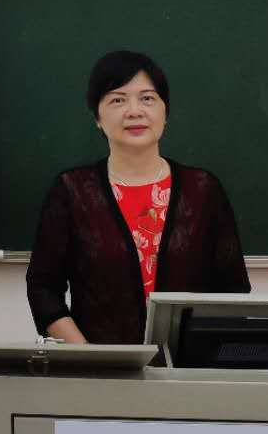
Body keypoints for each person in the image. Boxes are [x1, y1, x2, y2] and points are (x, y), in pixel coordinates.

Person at [26, 50, 249, 344]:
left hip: (190, 364)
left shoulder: (203, 189)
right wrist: (88, 356)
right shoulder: (72, 190)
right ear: (97, 117)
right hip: (100, 365)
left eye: (147, 98)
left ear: (165, 112)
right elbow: (43, 288)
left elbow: (233, 290)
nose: (134, 111)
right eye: (118, 100)